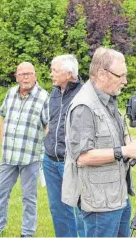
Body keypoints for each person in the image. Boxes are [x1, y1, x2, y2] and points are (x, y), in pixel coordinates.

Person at [62, 47, 136, 237]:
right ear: (102, 74)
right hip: (99, 203)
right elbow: (83, 157)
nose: (125, 81)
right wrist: (125, 151)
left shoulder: (108, 99)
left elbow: (114, 138)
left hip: (117, 195)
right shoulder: (84, 106)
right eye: (121, 75)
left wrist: (134, 144)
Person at [0, 62, 49, 238]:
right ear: (17, 76)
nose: (25, 77)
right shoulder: (11, 93)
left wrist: (43, 151)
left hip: (31, 157)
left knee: (29, 198)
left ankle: (27, 233)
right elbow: (3, 119)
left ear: (35, 75)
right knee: (0, 193)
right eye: (22, 74)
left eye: (29, 73)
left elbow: (48, 126)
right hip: (8, 156)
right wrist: (3, 142)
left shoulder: (44, 97)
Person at [43, 55, 85, 237]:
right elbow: (51, 123)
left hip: (71, 162)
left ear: (69, 74)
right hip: (50, 161)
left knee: (82, 210)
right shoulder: (54, 92)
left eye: (55, 70)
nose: (51, 74)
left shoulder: (84, 94)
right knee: (58, 210)